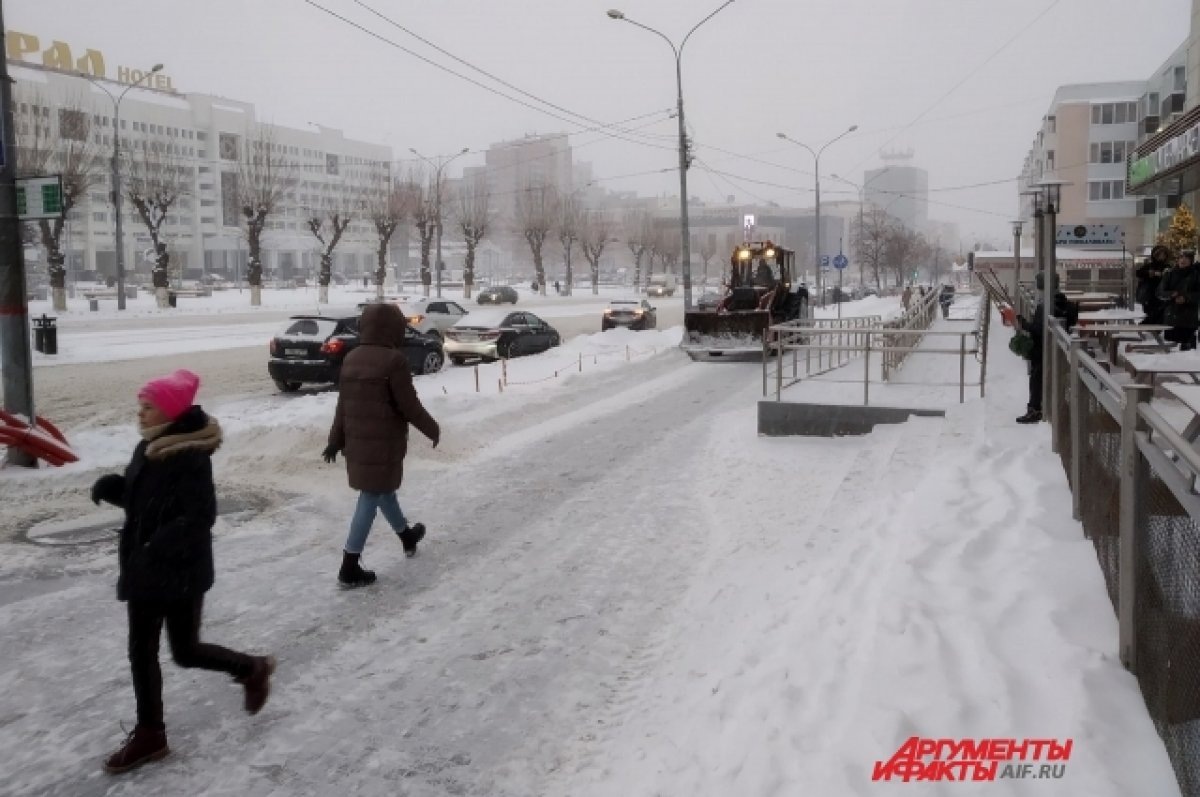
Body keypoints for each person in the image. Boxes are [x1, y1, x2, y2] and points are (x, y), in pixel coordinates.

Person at [91, 369, 275, 775]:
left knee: (182, 651)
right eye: (139, 406)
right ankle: (152, 732)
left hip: (176, 570)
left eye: (148, 407)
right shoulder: (149, 448)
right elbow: (148, 505)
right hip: (147, 566)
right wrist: (117, 490)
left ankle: (250, 670)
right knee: (149, 651)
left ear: (170, 413)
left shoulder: (189, 458)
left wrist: (155, 549)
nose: (140, 414)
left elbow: (198, 517)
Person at [324, 303, 440, 588]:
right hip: (384, 444)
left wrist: (335, 440)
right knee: (370, 497)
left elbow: (343, 407)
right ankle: (349, 564)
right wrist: (432, 428)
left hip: (358, 443)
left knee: (383, 492)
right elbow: (409, 405)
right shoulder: (394, 360)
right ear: (394, 328)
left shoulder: (351, 358)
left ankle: (406, 536)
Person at [1014, 272, 1077, 424]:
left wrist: (1021, 323)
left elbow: (1038, 330)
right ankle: (1056, 406)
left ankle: (1034, 409)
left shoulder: (1045, 306)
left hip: (1044, 351)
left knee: (1036, 379)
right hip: (1063, 350)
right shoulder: (1066, 304)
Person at [1158, 250, 1200, 351]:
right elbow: (1159, 292)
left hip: (1189, 319)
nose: (1183, 260)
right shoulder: (1169, 274)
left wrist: (1186, 298)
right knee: (1171, 349)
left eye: (1186, 258)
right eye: (1181, 257)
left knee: (1188, 352)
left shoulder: (1196, 275)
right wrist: (1171, 294)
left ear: (1191, 260)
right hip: (1172, 317)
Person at [1137, 245, 1170, 325]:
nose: (1162, 256)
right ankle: (1149, 328)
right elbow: (1138, 273)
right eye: (1159, 254)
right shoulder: (1149, 265)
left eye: (1164, 254)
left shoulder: (1167, 266)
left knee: (1160, 313)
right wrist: (1152, 273)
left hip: (1162, 294)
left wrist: (1165, 274)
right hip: (1150, 294)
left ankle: (1152, 329)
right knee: (1151, 312)